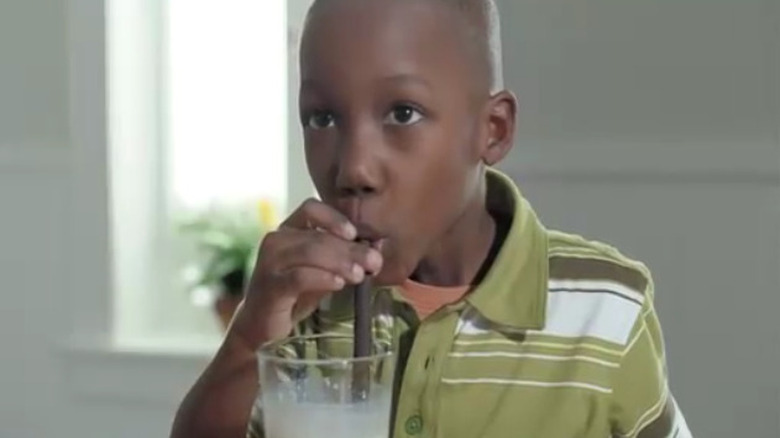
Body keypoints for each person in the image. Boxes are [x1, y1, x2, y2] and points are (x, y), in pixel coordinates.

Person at [171, 0, 693, 437]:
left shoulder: (605, 309)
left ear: (492, 130)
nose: (353, 167)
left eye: (403, 113)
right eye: (322, 117)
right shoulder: (297, 318)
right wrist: (248, 340)